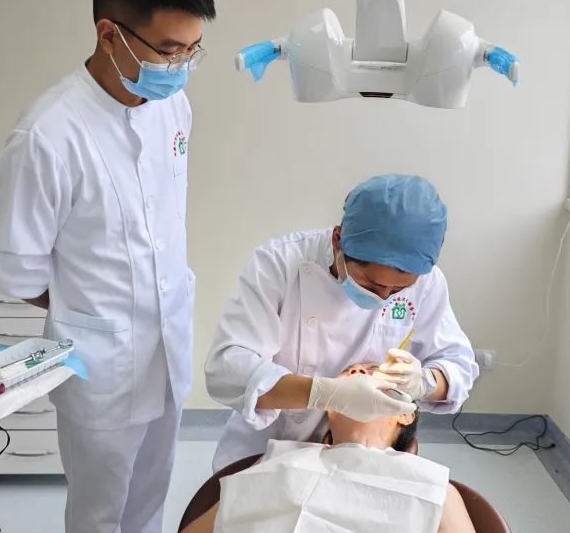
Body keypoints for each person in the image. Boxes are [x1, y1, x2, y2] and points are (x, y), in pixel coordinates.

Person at [0, 0, 215, 533]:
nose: (180, 65)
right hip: (101, 362)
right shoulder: (46, 137)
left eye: (192, 49)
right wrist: (92, 311)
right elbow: (18, 272)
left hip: (166, 348)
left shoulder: (173, 105)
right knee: (98, 523)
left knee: (148, 508)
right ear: (109, 34)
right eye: (168, 49)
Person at [156, 363, 515, 533]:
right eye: (350, 373)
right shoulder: (275, 461)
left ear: (407, 412)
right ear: (329, 405)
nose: (358, 374)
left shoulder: (432, 489)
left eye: (373, 372)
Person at [205, 174, 479, 471]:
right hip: (264, 449)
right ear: (338, 241)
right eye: (371, 284)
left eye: (398, 291)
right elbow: (228, 368)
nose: (384, 298)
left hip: (362, 461)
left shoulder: (429, 283)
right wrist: (324, 393)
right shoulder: (278, 263)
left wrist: (425, 382)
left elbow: (458, 366)